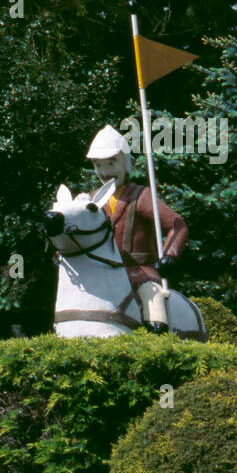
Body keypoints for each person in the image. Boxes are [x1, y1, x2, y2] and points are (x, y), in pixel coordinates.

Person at [86, 124, 189, 333]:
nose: (104, 172)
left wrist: (170, 254)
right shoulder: (91, 201)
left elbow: (178, 225)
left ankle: (157, 344)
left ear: (126, 163)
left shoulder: (140, 196)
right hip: (103, 274)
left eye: (111, 163)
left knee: (153, 301)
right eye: (98, 165)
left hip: (140, 272)